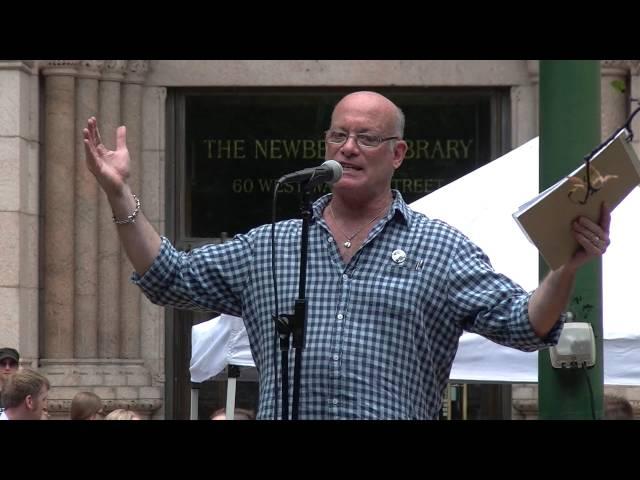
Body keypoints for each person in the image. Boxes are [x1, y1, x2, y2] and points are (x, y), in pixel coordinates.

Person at [83, 91, 612, 419]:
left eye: (366, 137)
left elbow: (523, 325)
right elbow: (168, 275)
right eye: (338, 135)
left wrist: (566, 267)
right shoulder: (273, 244)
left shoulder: (440, 247)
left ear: (398, 153)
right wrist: (118, 193)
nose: (348, 147)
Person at [0, 347, 20, 414]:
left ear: (17, 367)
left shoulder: (25, 392)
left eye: (12, 364)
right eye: (3, 363)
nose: (7, 368)